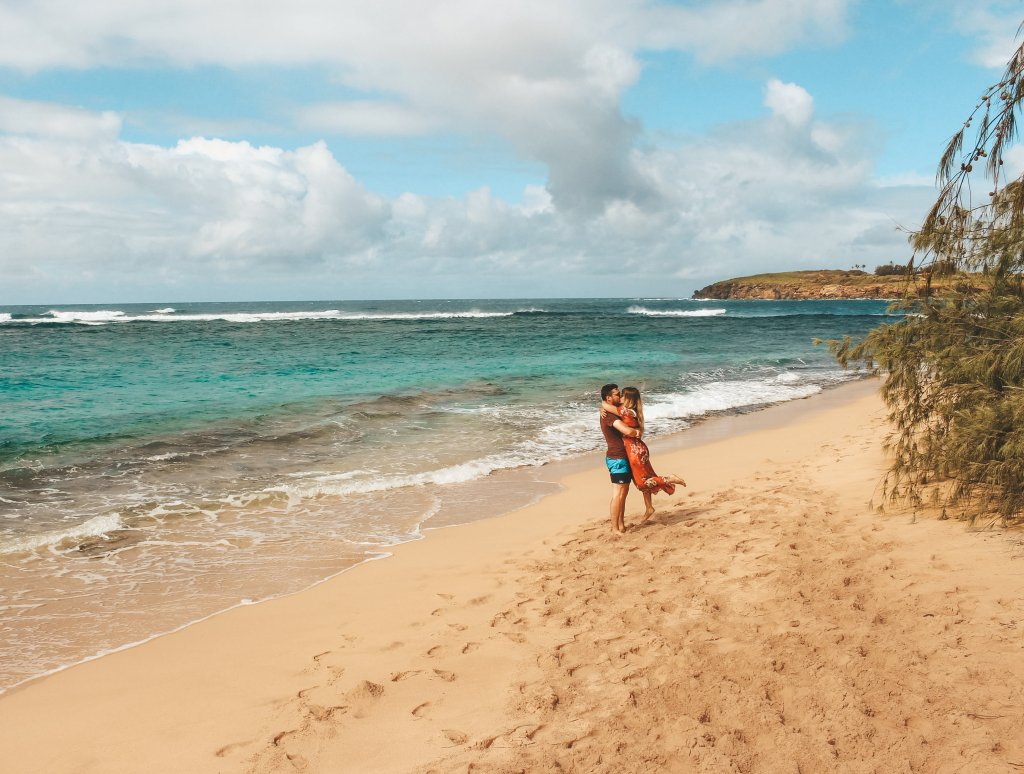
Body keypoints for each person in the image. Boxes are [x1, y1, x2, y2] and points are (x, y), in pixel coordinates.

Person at [607, 386, 686, 525]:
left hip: (634, 451)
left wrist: (602, 406)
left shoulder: (626, 412)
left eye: (623, 396)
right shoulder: (634, 412)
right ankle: (649, 507)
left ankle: (669, 478)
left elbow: (605, 405)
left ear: (629, 399)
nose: (621, 398)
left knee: (643, 482)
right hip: (640, 448)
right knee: (644, 477)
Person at [600, 383, 641, 534]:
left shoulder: (615, 411)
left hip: (624, 456)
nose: (620, 396)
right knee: (618, 493)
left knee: (623, 493)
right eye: (617, 394)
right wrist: (637, 432)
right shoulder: (609, 415)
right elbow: (626, 430)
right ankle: (614, 528)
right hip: (617, 458)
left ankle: (621, 525)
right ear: (609, 398)